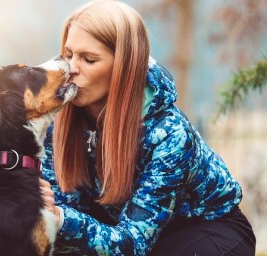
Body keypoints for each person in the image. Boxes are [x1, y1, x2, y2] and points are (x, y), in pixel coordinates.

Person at [39, 0, 256, 255]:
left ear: (124, 67)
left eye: (89, 59)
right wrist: (46, 209)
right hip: (120, 230)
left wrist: (60, 218)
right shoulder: (57, 122)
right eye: (68, 54)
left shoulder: (170, 133)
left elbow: (132, 244)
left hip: (205, 229)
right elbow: (65, 222)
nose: (71, 69)